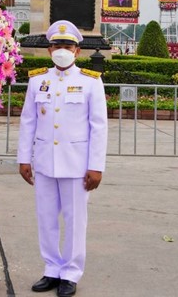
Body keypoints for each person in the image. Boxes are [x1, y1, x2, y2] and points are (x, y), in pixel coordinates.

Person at [17, 20, 108, 297]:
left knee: (75, 220)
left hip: (77, 164)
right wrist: (24, 158)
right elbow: (28, 121)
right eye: (57, 45)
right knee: (46, 219)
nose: (62, 50)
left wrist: (96, 166)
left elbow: (99, 127)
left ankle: (70, 272)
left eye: (68, 46)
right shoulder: (37, 80)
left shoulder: (91, 81)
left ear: (77, 51)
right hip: (45, 162)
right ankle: (51, 269)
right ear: (49, 50)